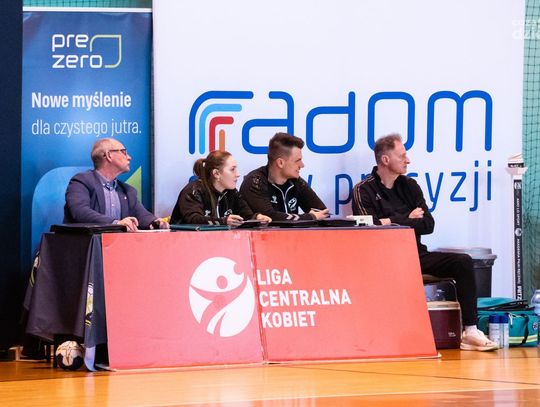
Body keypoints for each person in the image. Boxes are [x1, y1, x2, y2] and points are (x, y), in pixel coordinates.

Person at [352, 133, 498, 352]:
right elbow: (370, 229)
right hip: (383, 260)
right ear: (385, 160)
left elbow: (428, 224)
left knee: (463, 262)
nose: (408, 160)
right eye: (402, 156)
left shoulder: (410, 186)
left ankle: (470, 331)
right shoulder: (363, 189)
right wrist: (407, 219)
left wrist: (389, 221)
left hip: (416, 255)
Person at [64, 138, 168, 231]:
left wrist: (155, 222)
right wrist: (115, 223)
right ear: (109, 155)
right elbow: (80, 212)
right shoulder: (81, 181)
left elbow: (141, 215)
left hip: (118, 244)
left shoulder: (128, 190)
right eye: (124, 152)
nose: (129, 157)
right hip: (87, 244)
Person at [239, 132, 329, 221]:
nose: (302, 165)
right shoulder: (255, 181)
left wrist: (313, 216)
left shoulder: (296, 181)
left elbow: (323, 213)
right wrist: (310, 217)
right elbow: (269, 217)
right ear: (280, 163)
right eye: (297, 160)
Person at [170, 150, 271, 226]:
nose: (238, 174)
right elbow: (193, 220)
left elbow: (246, 215)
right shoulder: (194, 190)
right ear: (216, 173)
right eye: (232, 170)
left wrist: (257, 218)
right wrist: (223, 222)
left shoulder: (232, 192)